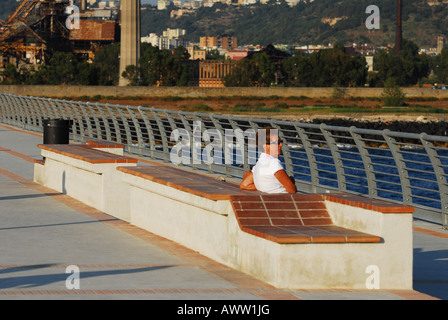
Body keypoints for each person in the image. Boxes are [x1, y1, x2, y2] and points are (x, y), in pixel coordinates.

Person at [240, 127, 296, 194]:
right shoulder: (274, 163)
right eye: (277, 142)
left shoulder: (259, 164)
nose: (281, 145)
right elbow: (292, 190)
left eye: (280, 142)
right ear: (265, 146)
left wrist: (264, 187)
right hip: (283, 201)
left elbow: (244, 185)